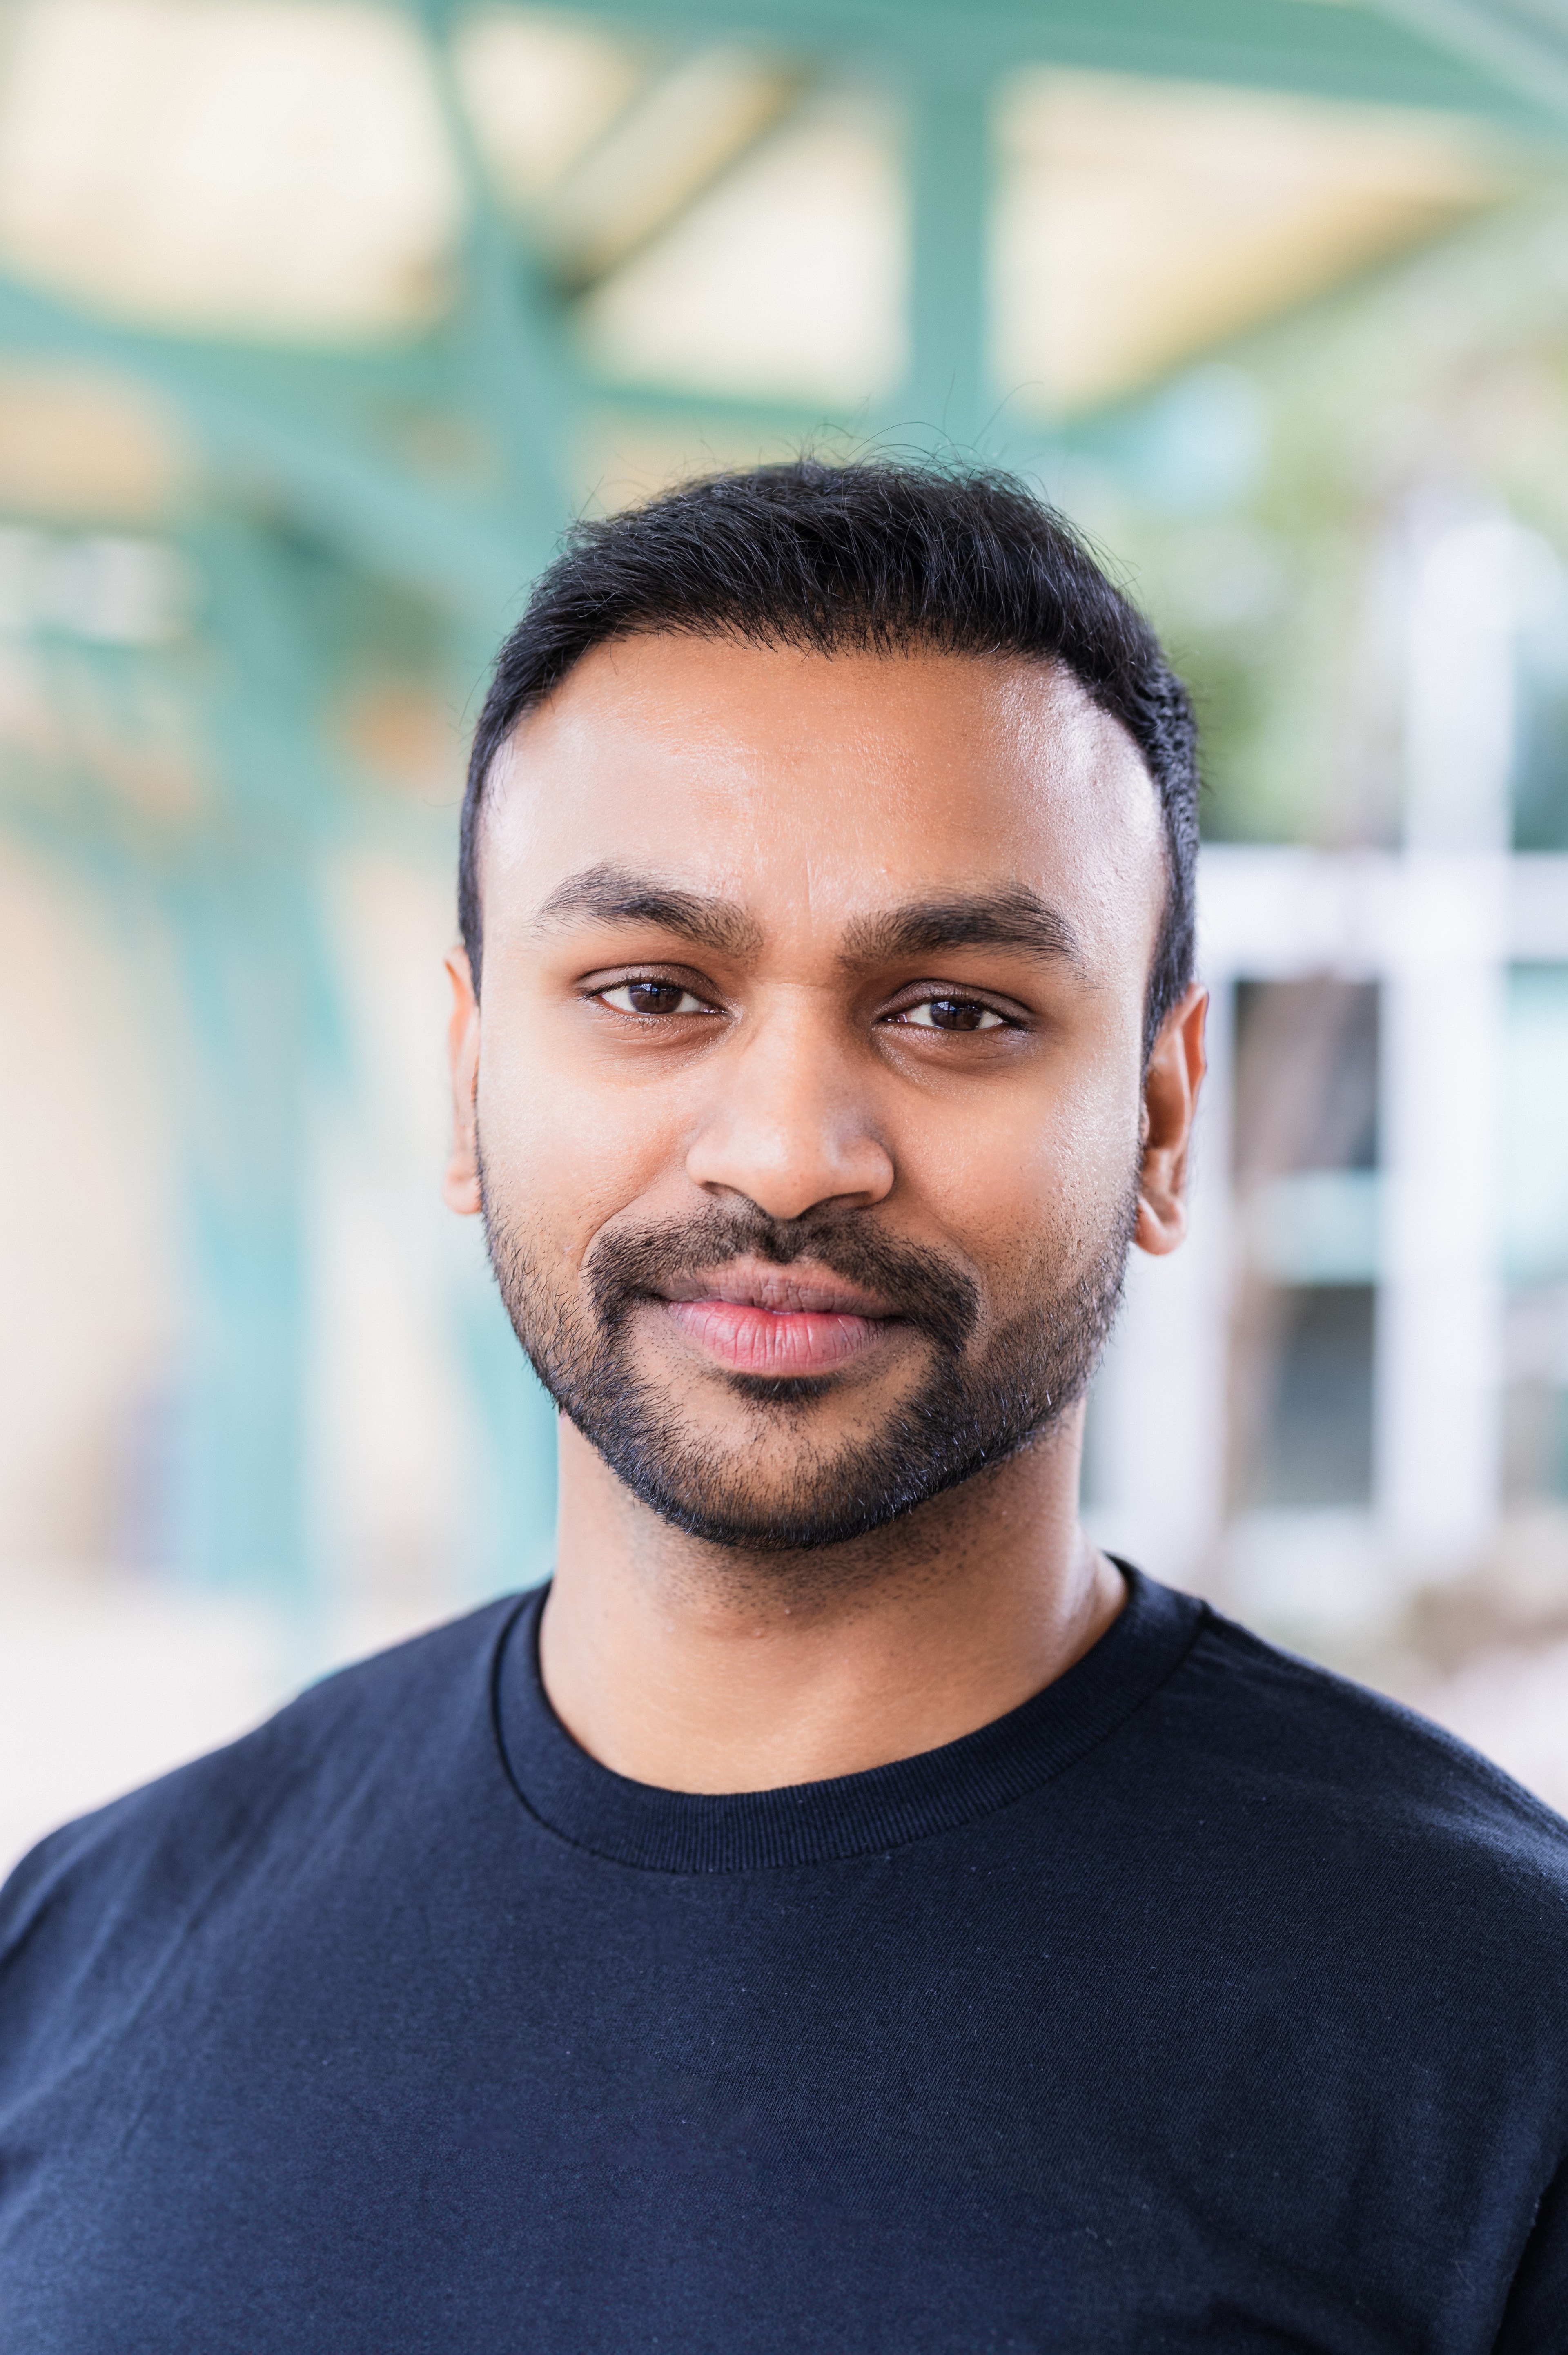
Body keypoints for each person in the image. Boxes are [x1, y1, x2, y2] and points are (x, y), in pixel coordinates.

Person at [2, 462, 1565, 2353]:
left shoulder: (1498, 2049)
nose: (788, 1154)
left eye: (956, 1010)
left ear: (1161, 1112)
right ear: (469, 1076)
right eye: (655, 988)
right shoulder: (81, 1951)